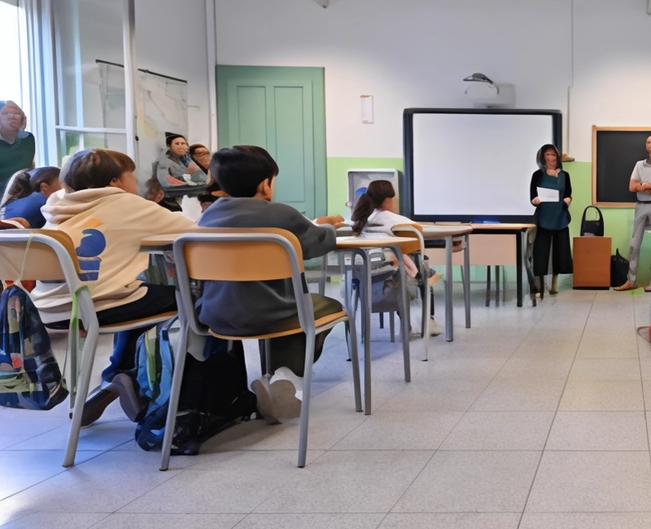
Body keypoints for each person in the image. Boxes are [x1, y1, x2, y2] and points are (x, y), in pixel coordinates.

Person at [33, 149, 197, 425]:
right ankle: (136, 378)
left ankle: (117, 377)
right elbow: (195, 231)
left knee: (134, 289)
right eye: (130, 175)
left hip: (52, 307)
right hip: (99, 303)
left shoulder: (58, 204)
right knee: (189, 297)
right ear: (114, 182)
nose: (136, 180)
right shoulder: (127, 205)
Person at [196, 145, 346, 423]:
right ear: (266, 184)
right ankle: (286, 376)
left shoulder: (207, 217)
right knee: (322, 307)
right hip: (274, 313)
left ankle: (278, 379)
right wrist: (329, 226)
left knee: (293, 310)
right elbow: (319, 242)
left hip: (216, 315)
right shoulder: (280, 215)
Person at [350, 179, 444, 338]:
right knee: (424, 270)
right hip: (395, 271)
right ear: (389, 200)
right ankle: (429, 319)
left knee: (411, 268)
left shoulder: (364, 219)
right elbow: (418, 236)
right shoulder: (396, 220)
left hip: (368, 274)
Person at [615, 134, 651, 292]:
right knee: (634, 244)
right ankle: (631, 279)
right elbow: (632, 187)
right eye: (649, 142)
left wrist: (646, 185)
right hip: (641, 205)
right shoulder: (639, 165)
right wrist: (650, 187)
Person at [530, 144, 573, 300]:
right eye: (547, 155)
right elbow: (532, 196)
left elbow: (568, 193)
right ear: (542, 157)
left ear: (557, 157)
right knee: (540, 253)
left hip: (560, 217)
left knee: (559, 253)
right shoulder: (537, 175)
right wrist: (534, 200)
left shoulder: (564, 175)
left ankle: (554, 282)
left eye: (553, 155)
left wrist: (568, 200)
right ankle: (538, 286)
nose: (550, 158)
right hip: (543, 217)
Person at [0, 101, 35, 188]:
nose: (12, 116)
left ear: (23, 119)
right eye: (5, 113)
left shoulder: (28, 138)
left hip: (23, 189)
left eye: (16, 113)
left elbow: (30, 167)